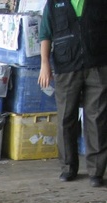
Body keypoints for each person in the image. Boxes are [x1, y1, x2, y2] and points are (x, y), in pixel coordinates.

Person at [37, 0, 107, 187]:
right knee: (66, 117)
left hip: (98, 66)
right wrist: (45, 65)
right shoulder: (54, 3)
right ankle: (68, 167)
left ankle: (96, 172)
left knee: (97, 118)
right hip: (66, 66)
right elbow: (45, 34)